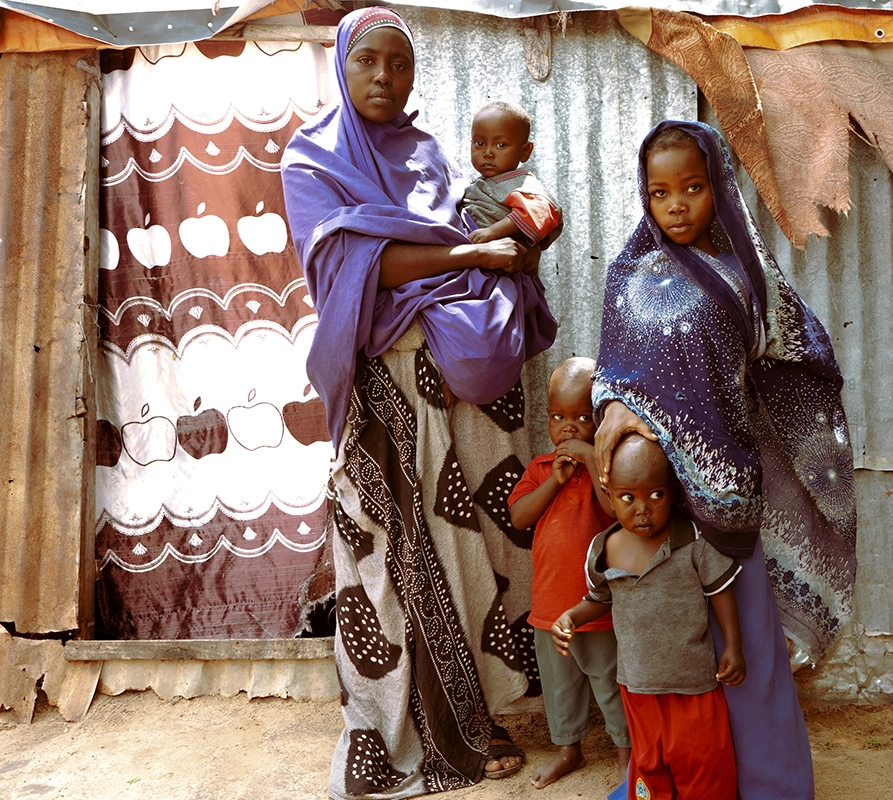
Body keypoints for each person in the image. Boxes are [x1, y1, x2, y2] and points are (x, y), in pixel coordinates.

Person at [281, 8, 556, 797]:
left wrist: (502, 245)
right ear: (342, 65)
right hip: (383, 388)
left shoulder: (431, 153)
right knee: (388, 565)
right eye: (368, 61)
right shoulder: (311, 161)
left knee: (477, 557)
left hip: (456, 387)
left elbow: (438, 243)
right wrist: (469, 252)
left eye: (399, 65)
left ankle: (480, 713)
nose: (384, 78)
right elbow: (352, 267)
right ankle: (391, 731)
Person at [592, 120, 858, 800]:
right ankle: (668, 781)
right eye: (659, 192)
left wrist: (792, 415)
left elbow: (802, 353)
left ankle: (772, 784)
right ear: (643, 197)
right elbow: (613, 376)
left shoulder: (748, 277)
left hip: (725, 488)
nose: (676, 205)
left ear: (720, 188)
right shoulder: (628, 277)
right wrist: (614, 408)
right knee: (668, 653)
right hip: (654, 495)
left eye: (692, 188)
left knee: (748, 653)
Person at [553, 433, 744, 800]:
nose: (642, 508)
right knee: (650, 767)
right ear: (609, 495)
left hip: (694, 687)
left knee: (704, 765)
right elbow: (599, 598)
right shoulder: (605, 550)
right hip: (638, 686)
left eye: (655, 495)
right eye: (628, 497)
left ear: (671, 492)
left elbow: (719, 589)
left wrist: (733, 645)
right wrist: (572, 618)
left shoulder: (691, 540)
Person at [507, 357, 630, 789]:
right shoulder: (540, 468)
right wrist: (555, 481)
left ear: (600, 420)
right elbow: (520, 517)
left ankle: (625, 754)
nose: (569, 428)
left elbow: (617, 507)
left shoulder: (611, 469)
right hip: (548, 606)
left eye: (582, 418)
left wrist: (590, 461)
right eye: (559, 417)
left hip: (595, 608)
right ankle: (568, 750)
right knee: (561, 688)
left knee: (610, 683)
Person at [461, 101, 562, 254]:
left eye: (501, 145)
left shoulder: (522, 183)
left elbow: (542, 211)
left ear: (525, 151)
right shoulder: (475, 184)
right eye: (479, 143)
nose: (488, 153)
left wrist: (493, 232)